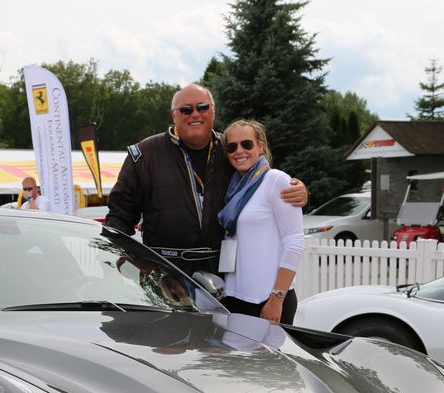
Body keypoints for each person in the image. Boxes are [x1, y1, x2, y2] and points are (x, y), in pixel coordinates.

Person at [105, 83, 307, 274]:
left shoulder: (230, 149)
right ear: (174, 115)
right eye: (186, 109)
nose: (195, 114)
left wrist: (298, 189)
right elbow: (119, 217)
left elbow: (262, 184)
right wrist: (113, 264)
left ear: (213, 111)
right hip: (164, 274)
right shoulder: (145, 154)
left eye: (202, 107)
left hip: (224, 276)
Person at [217, 120, 304, 325]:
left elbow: (295, 242)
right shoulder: (234, 187)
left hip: (268, 301)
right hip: (235, 298)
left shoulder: (276, 180)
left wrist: (276, 299)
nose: (239, 151)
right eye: (232, 146)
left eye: (246, 144)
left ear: (260, 146)